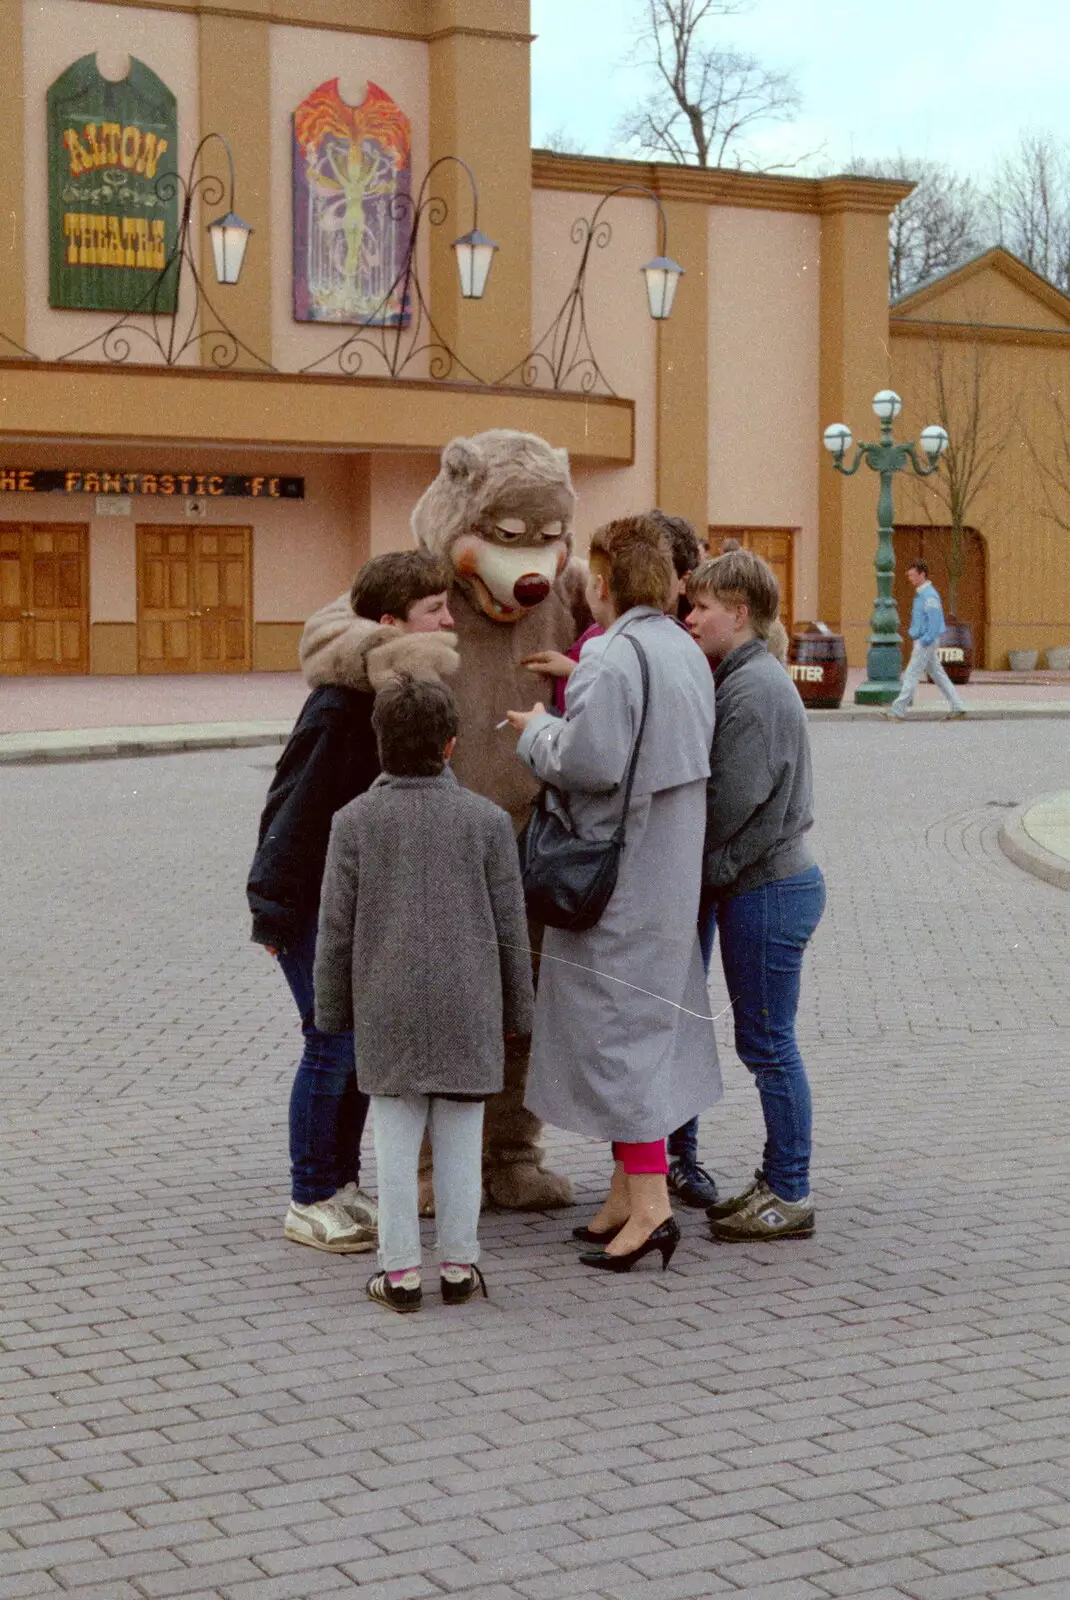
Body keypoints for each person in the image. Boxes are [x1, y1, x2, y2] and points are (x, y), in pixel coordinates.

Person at [506, 514, 720, 1273]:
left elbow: (588, 761)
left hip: (615, 886)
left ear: (602, 582)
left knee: (615, 1039)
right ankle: (625, 1196)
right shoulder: (683, 652)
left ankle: (651, 1209)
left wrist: (536, 730)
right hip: (666, 874)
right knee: (645, 1033)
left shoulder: (613, 659)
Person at [247, 551, 455, 1254]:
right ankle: (309, 1196)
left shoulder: (386, 694)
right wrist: (274, 911)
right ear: (392, 621)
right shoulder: (342, 705)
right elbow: (293, 814)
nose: (449, 621)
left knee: (358, 1047)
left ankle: (341, 1184)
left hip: (353, 906)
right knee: (330, 1043)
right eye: (435, 610)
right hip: (308, 907)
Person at [313, 675, 533, 1313]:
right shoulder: (488, 822)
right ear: (452, 745)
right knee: (463, 1140)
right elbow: (511, 932)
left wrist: (333, 1013)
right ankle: (461, 1267)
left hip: (387, 1008)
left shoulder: (353, 822)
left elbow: (336, 933)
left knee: (396, 1143)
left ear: (380, 744)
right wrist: (519, 1011)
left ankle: (400, 1272)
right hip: (470, 1008)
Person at [684, 548, 825, 1242]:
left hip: (768, 888)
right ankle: (777, 1181)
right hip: (766, 885)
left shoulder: (753, 690)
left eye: (702, 606)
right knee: (765, 1043)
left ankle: (790, 1192)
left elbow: (725, 805)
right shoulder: (746, 678)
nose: (691, 617)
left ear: (738, 614)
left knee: (769, 1046)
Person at [884, 560, 967, 721]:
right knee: (938, 675)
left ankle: (897, 710)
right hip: (925, 640)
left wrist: (925, 640)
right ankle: (958, 707)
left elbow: (935, 621)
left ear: (922, 574)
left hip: (925, 641)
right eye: (909, 575)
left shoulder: (928, 595)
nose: (910, 578)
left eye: (913, 575)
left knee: (911, 674)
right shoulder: (925, 594)